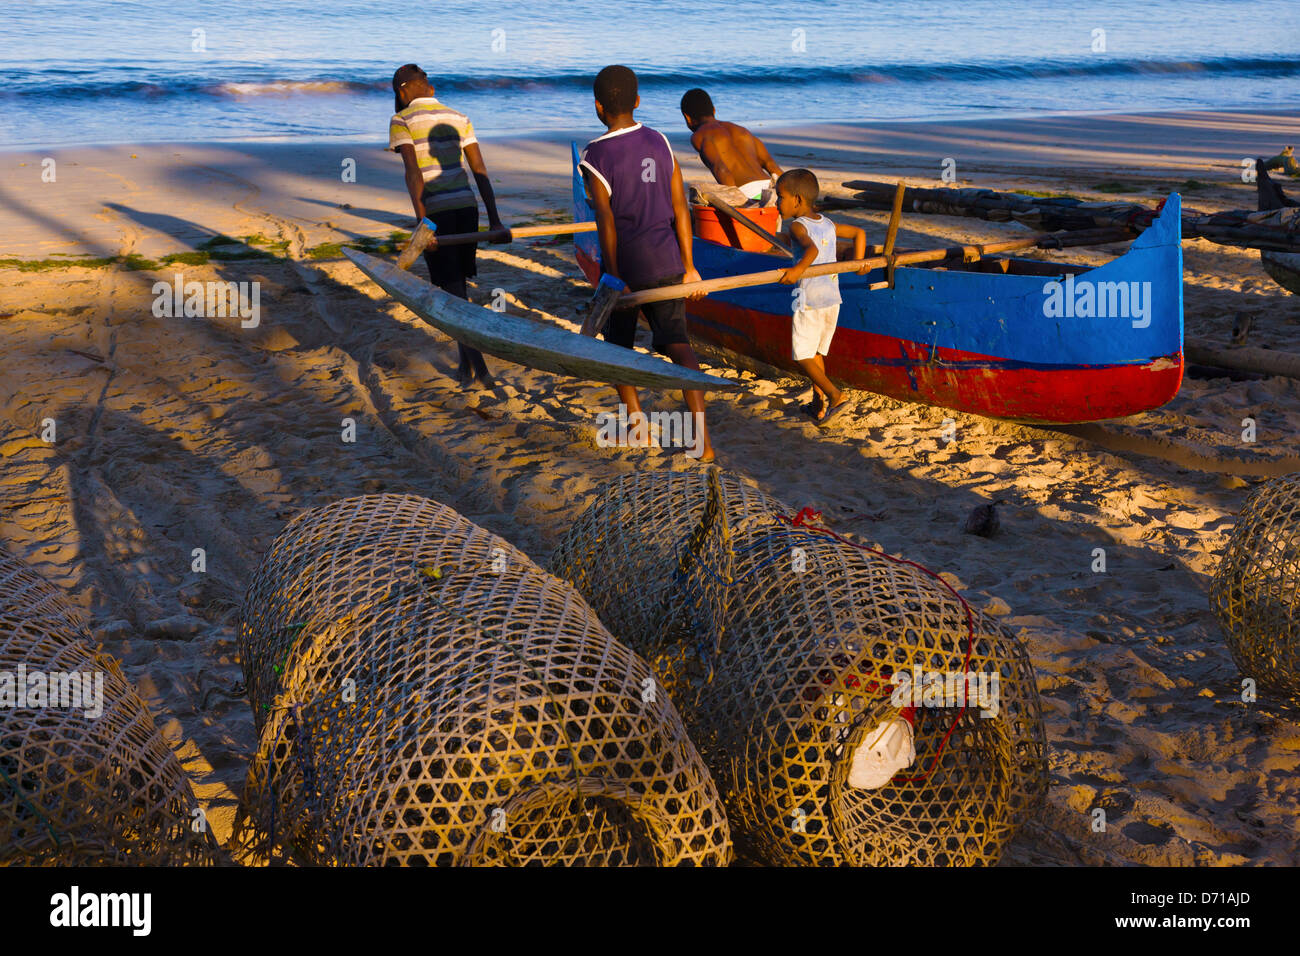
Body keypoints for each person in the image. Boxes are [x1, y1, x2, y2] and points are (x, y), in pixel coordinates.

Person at [580, 65, 715, 462]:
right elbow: (679, 207)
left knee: (618, 348)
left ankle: (637, 427)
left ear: (598, 107)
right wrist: (690, 267)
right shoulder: (659, 140)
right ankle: (702, 443)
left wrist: (614, 275)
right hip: (668, 260)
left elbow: (605, 222)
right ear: (637, 102)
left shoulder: (595, 154)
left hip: (626, 266)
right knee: (677, 343)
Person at [389, 63, 504, 388]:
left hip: (436, 213)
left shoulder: (401, 119)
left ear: (402, 91)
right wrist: (494, 219)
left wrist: (423, 224)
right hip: (467, 209)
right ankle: (467, 367)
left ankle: (480, 368)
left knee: (453, 290)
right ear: (431, 89)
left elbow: (413, 173)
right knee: (458, 288)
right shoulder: (459, 116)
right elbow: (479, 169)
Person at [775, 168, 867, 426]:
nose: (776, 202)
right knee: (815, 352)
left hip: (810, 299)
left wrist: (796, 271)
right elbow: (859, 233)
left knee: (801, 355)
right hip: (832, 299)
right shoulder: (827, 223)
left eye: (780, 196)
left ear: (797, 200)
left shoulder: (796, 226)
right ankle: (818, 405)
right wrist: (857, 263)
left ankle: (835, 396)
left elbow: (812, 250)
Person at [680, 88, 783, 204]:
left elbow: (721, 169)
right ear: (714, 110)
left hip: (745, 193)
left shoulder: (700, 135)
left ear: (687, 117)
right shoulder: (742, 131)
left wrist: (735, 202)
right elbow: (772, 166)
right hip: (770, 191)